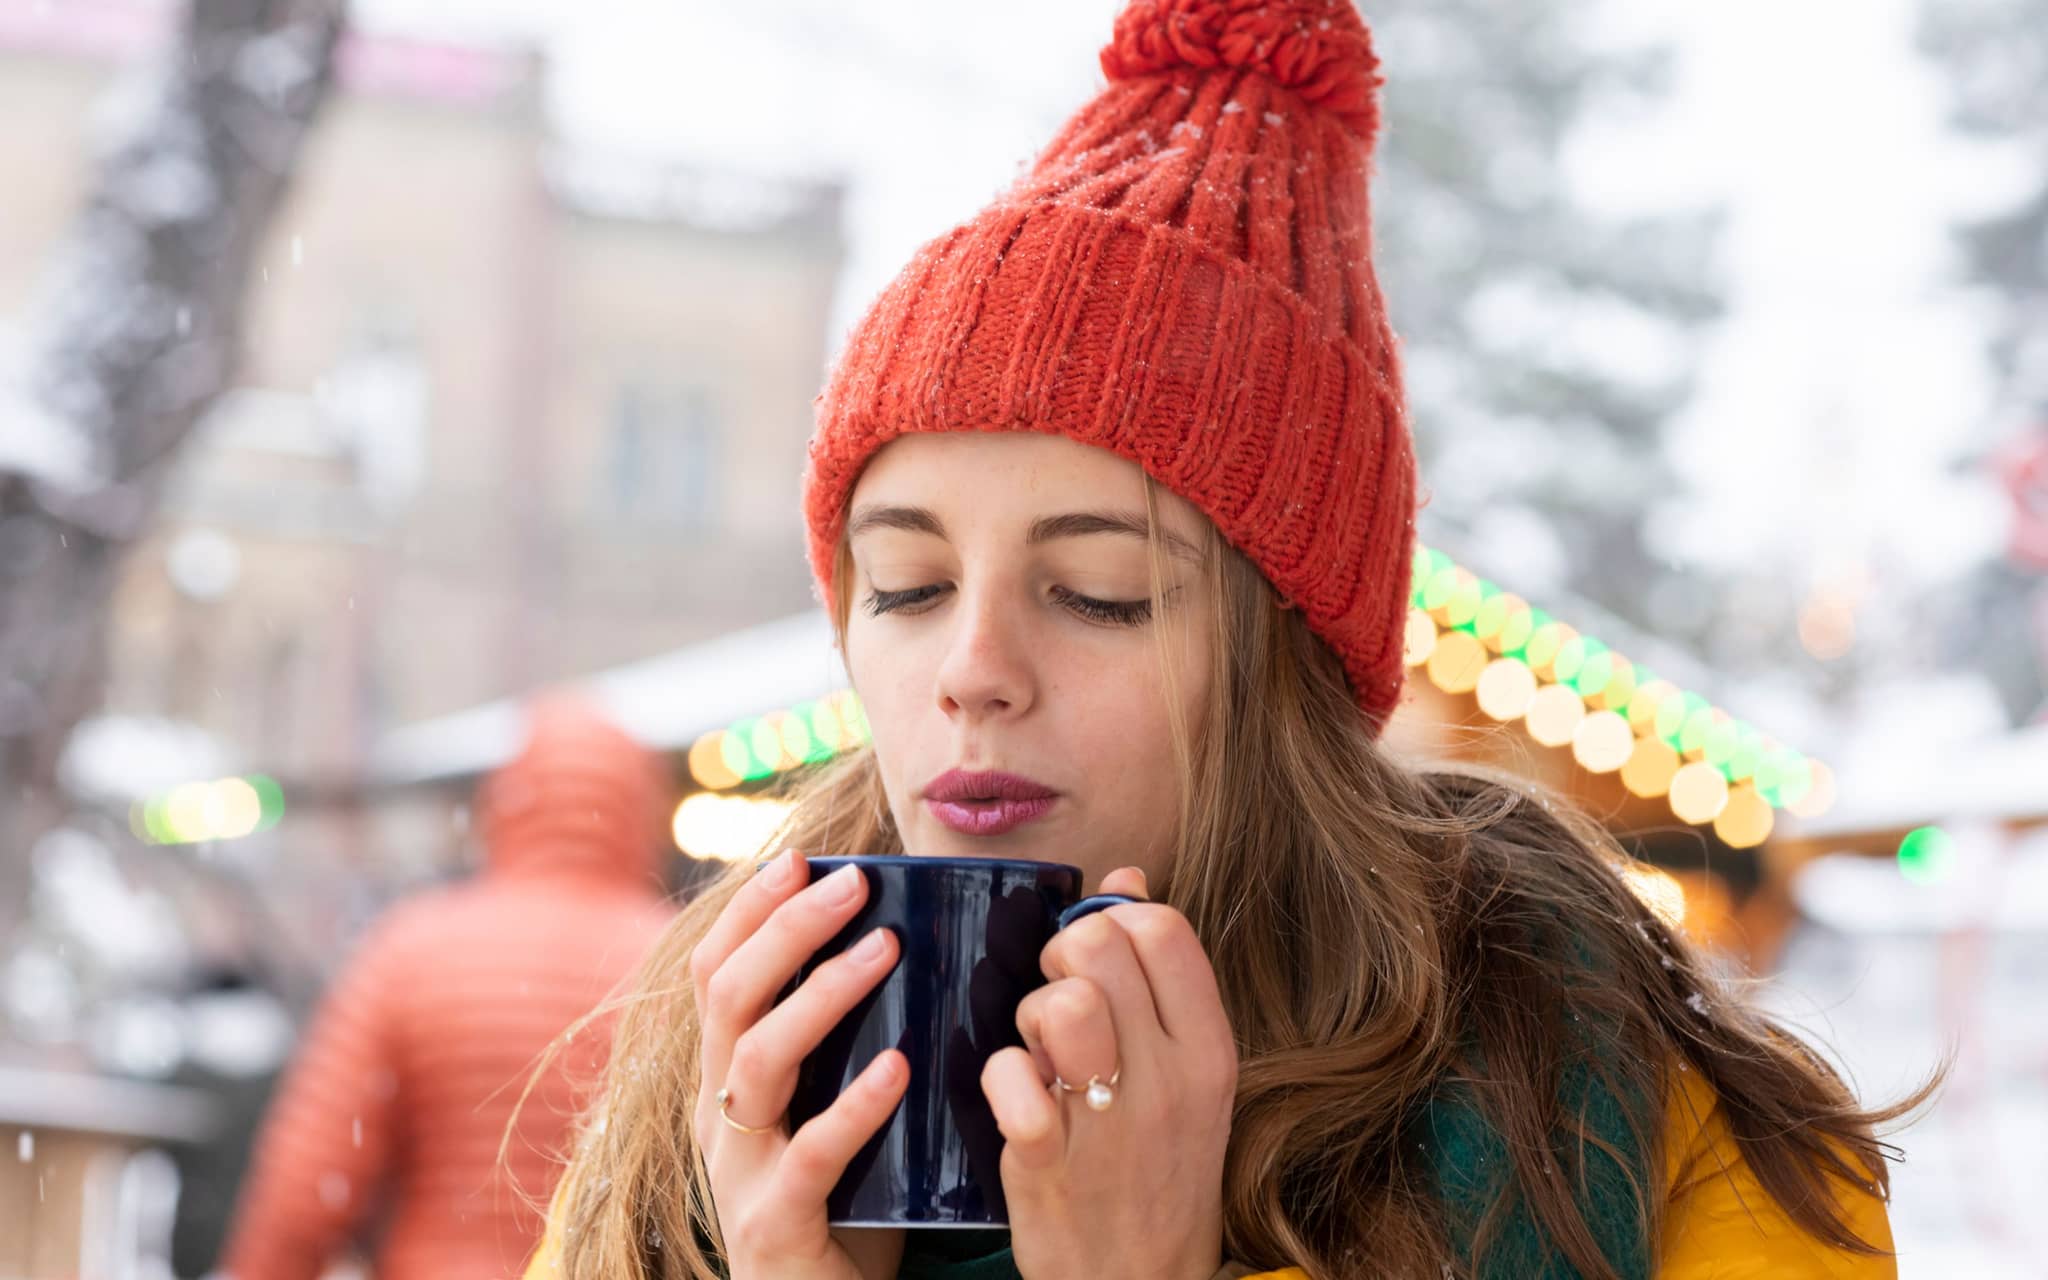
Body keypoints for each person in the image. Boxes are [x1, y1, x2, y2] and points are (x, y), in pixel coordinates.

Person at [524, 2, 1930, 1276]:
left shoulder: (1668, 1134)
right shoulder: (696, 1124)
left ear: (1289, 665)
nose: (970, 671)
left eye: (1099, 593)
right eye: (905, 586)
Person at [219, 695, 675, 1280]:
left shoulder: (411, 948)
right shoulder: (677, 966)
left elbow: (306, 1185)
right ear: (641, 812)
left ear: (503, 805)